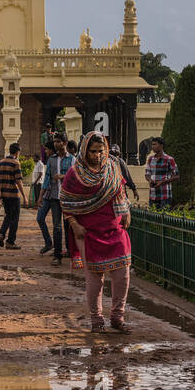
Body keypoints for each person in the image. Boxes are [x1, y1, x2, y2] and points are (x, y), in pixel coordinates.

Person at [60, 131, 132, 333]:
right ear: (85, 151)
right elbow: (66, 201)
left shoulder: (111, 167)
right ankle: (96, 320)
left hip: (114, 227)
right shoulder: (75, 174)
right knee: (95, 279)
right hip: (88, 232)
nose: (98, 155)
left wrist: (125, 211)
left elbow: (120, 189)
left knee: (122, 275)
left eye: (101, 151)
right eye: (93, 151)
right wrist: (74, 225)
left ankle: (117, 316)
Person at [39, 136, 74, 265]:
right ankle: (57, 255)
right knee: (57, 227)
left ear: (64, 143)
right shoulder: (52, 160)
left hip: (69, 198)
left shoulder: (72, 159)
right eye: (54, 141)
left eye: (58, 141)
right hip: (54, 197)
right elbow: (47, 179)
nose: (56, 143)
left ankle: (71, 251)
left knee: (69, 225)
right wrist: (40, 196)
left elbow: (76, 176)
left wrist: (63, 176)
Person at [0, 143, 23, 249]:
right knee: (14, 219)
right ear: (17, 152)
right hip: (14, 195)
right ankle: (10, 241)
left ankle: (1, 234)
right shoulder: (16, 163)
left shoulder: (1, 162)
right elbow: (18, 181)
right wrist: (24, 195)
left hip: (4, 194)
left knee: (8, 216)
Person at [144, 137, 179, 210]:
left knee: (164, 217)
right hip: (153, 195)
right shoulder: (151, 159)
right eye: (152, 145)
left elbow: (177, 176)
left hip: (165, 194)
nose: (153, 147)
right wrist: (150, 180)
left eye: (155, 144)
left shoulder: (169, 159)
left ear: (161, 146)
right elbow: (147, 174)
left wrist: (163, 182)